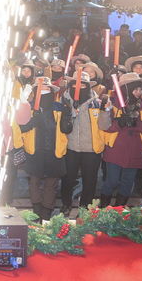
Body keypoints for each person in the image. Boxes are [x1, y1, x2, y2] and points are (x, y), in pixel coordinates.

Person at [17, 77, 72, 221]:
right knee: (34, 182)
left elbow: (66, 129)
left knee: (50, 185)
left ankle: (46, 215)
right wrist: (32, 120)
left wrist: (68, 114)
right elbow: (21, 127)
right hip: (34, 151)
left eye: (46, 89)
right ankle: (36, 213)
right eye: (40, 89)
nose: (43, 92)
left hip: (54, 151)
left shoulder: (59, 108)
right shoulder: (28, 106)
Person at [98, 73, 142, 207]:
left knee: (127, 182)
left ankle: (119, 209)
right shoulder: (112, 103)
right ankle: (102, 209)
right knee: (111, 181)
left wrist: (137, 124)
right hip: (115, 150)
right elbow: (104, 126)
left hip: (136, 151)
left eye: (140, 89)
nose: (138, 92)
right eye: (135, 89)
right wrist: (120, 123)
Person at [59, 71, 107, 217]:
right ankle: (66, 204)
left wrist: (105, 110)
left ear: (88, 86)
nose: (78, 87)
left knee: (90, 180)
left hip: (91, 149)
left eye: (83, 84)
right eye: (75, 84)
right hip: (71, 147)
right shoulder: (64, 102)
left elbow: (105, 125)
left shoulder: (97, 103)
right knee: (68, 179)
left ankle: (85, 208)